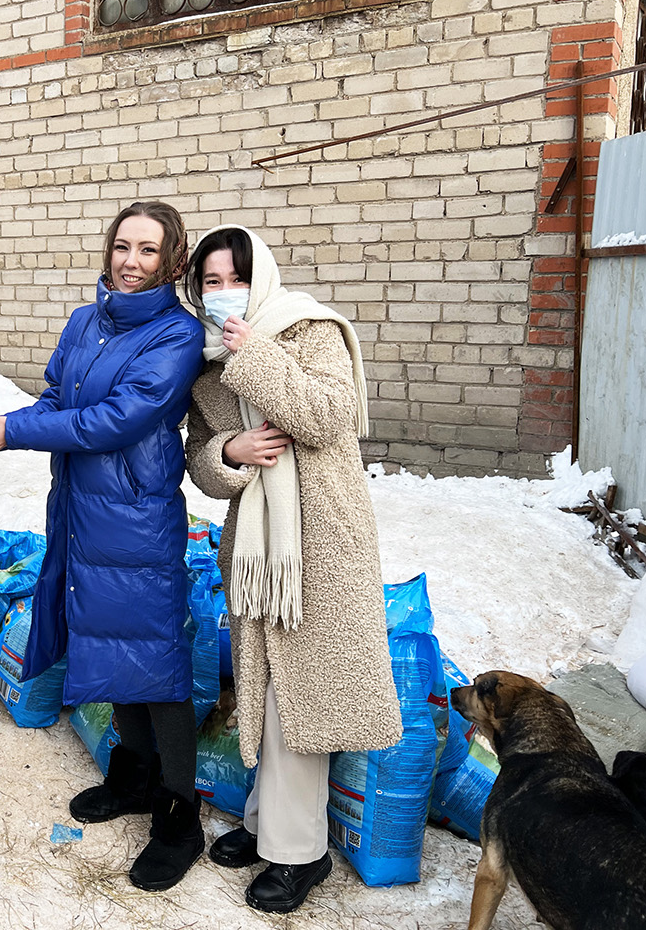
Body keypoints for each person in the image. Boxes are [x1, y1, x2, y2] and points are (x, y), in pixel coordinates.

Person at [0, 201, 207, 891]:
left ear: (173, 260)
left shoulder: (177, 334)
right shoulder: (84, 321)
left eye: (148, 250)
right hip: (76, 507)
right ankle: (135, 776)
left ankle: (180, 817)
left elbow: (114, 420)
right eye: (122, 246)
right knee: (105, 636)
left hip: (134, 515)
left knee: (153, 656)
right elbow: (56, 399)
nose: (131, 262)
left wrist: (15, 433)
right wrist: (2, 423)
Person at [182, 224, 403, 914]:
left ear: (263, 278)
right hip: (257, 550)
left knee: (300, 699)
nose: (225, 293)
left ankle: (299, 853)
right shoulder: (204, 362)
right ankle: (266, 823)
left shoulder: (310, 328)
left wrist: (255, 354)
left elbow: (330, 415)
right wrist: (230, 451)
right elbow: (199, 462)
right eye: (211, 282)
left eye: (237, 278)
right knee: (266, 687)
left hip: (322, 543)